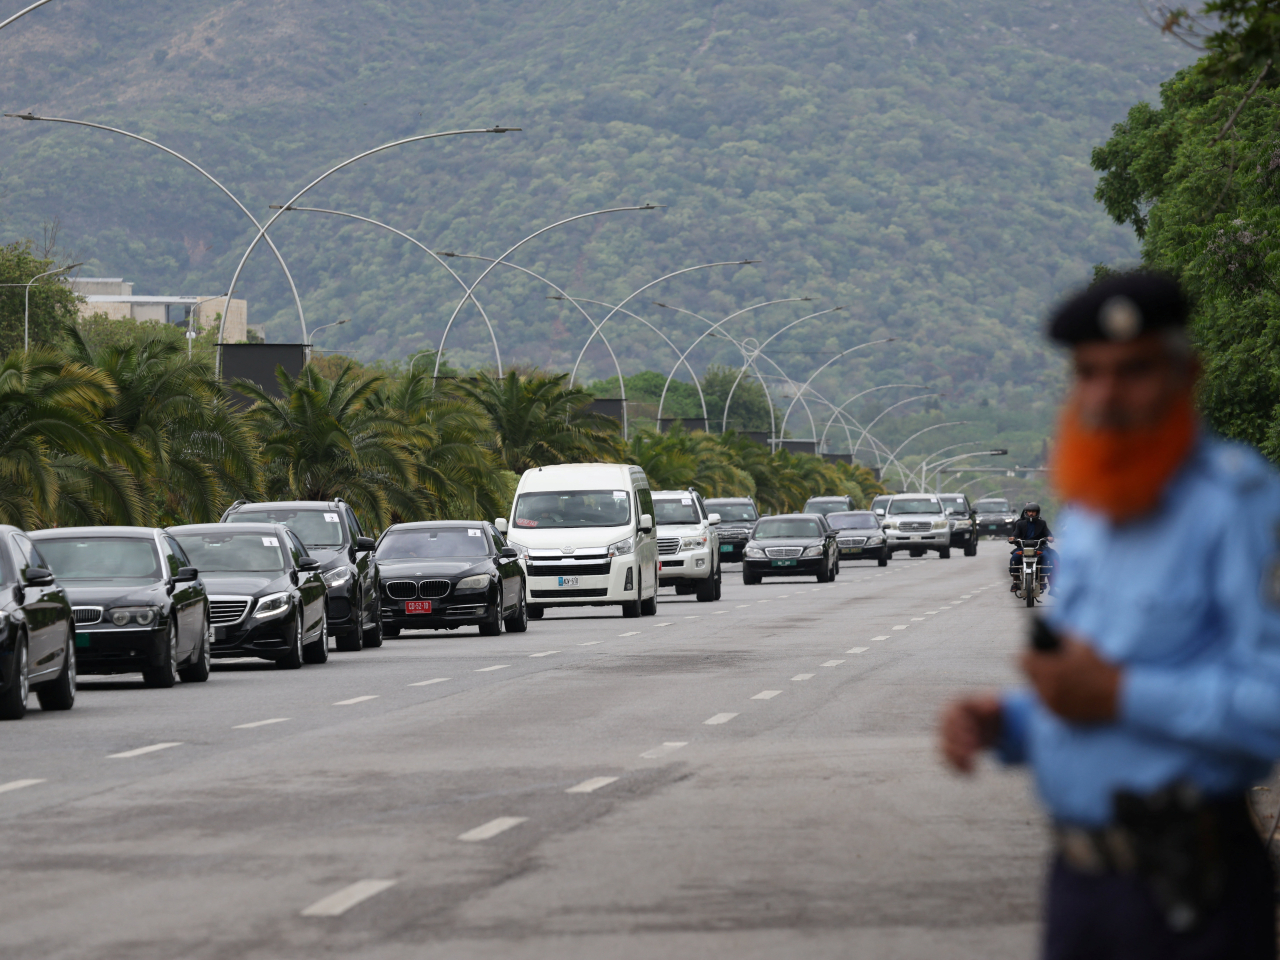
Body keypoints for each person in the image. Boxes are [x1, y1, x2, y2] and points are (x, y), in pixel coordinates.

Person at [939, 272, 1280, 959]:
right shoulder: (1092, 514)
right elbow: (1087, 684)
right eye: (1089, 374)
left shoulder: (1238, 505)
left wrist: (1121, 695)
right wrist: (1011, 723)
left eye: (1133, 372)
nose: (1107, 396)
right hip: (1081, 883)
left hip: (1190, 888)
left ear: (1186, 373)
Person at [1007, 502, 1056, 592]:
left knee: (1047, 558)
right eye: (1029, 511)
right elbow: (1015, 534)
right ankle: (1015, 581)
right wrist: (1013, 538)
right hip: (1023, 548)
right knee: (1014, 557)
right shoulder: (1020, 524)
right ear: (1025, 512)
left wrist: (1050, 537)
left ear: (1037, 513)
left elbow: (1048, 534)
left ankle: (1042, 580)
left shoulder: (1042, 523)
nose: (1031, 513)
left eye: (1033, 511)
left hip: (1039, 548)